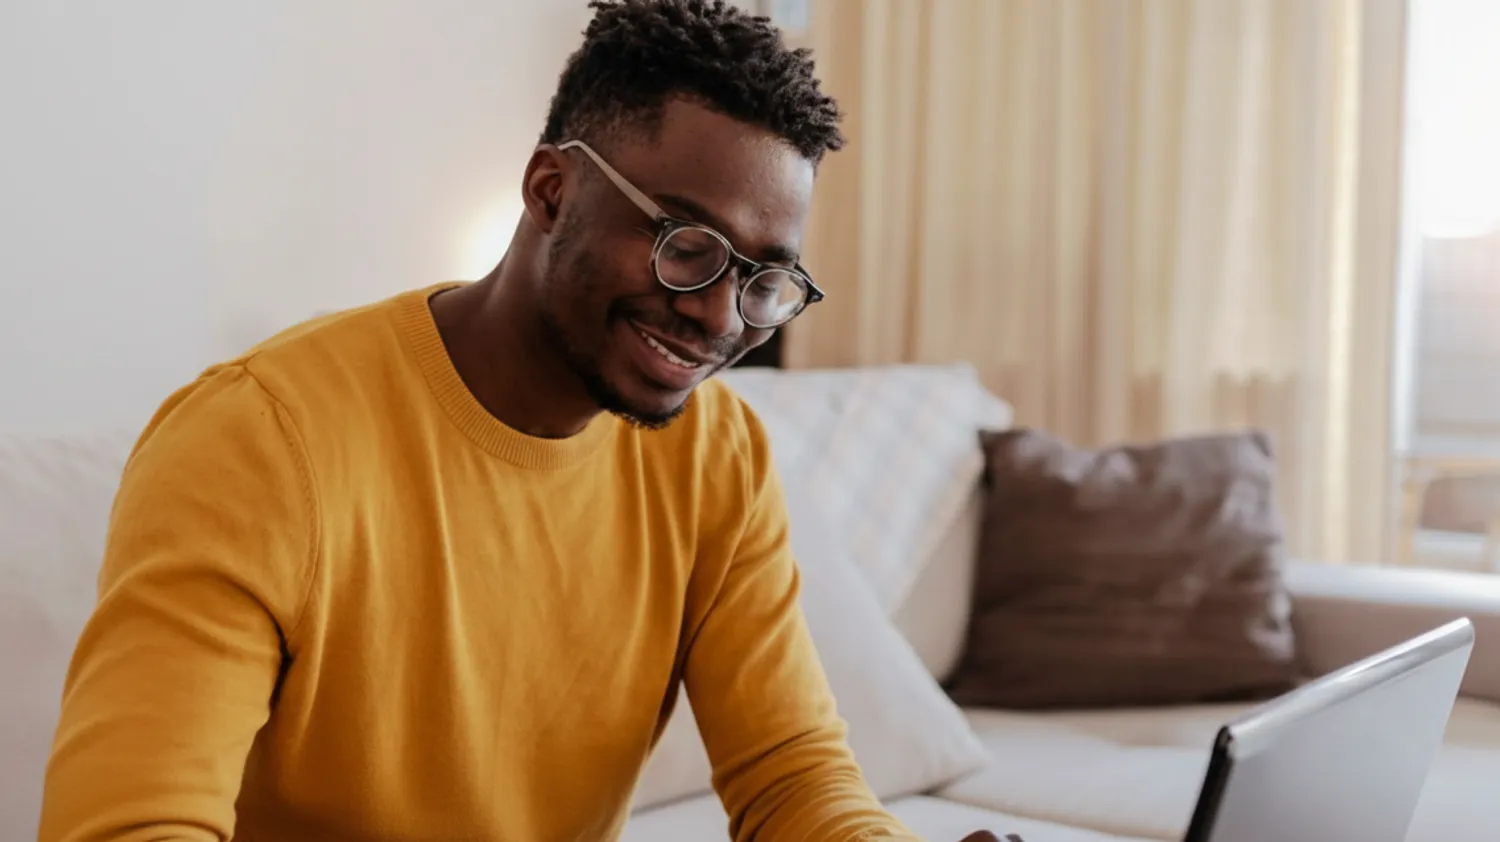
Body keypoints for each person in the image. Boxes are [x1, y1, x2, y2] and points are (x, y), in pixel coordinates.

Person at [39, 1, 1008, 840]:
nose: (719, 315)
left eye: (763, 278)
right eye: (686, 245)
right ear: (553, 190)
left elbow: (791, 774)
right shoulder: (260, 439)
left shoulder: (720, 454)